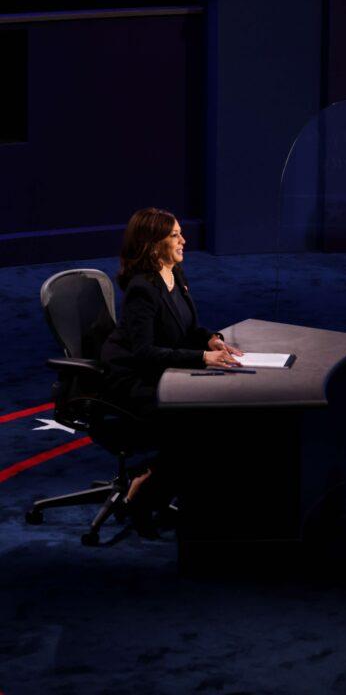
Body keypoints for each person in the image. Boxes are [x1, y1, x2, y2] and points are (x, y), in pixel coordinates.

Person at [100, 208, 242, 524]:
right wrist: (202, 358)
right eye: (175, 235)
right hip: (132, 381)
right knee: (198, 420)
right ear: (154, 245)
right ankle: (147, 484)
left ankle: (158, 484)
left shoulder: (174, 273)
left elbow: (186, 327)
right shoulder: (142, 289)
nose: (184, 240)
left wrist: (210, 341)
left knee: (215, 411)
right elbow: (145, 353)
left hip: (160, 372)